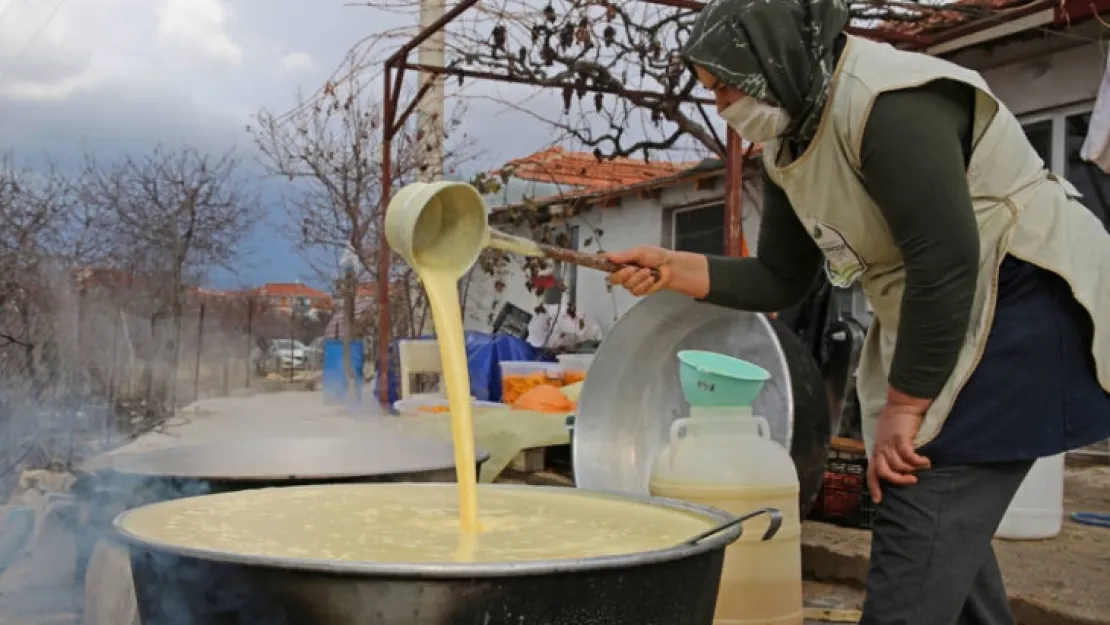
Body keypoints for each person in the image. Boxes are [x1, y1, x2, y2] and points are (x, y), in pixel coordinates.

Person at [604, 0, 1110, 623]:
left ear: (776, 57)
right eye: (712, 93)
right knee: (940, 529)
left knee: (916, 496)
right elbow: (780, 278)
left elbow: (945, 260)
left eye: (727, 88)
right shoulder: (790, 142)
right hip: (948, 311)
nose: (722, 108)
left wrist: (906, 404)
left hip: (1021, 301)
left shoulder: (889, 103)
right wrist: (673, 269)